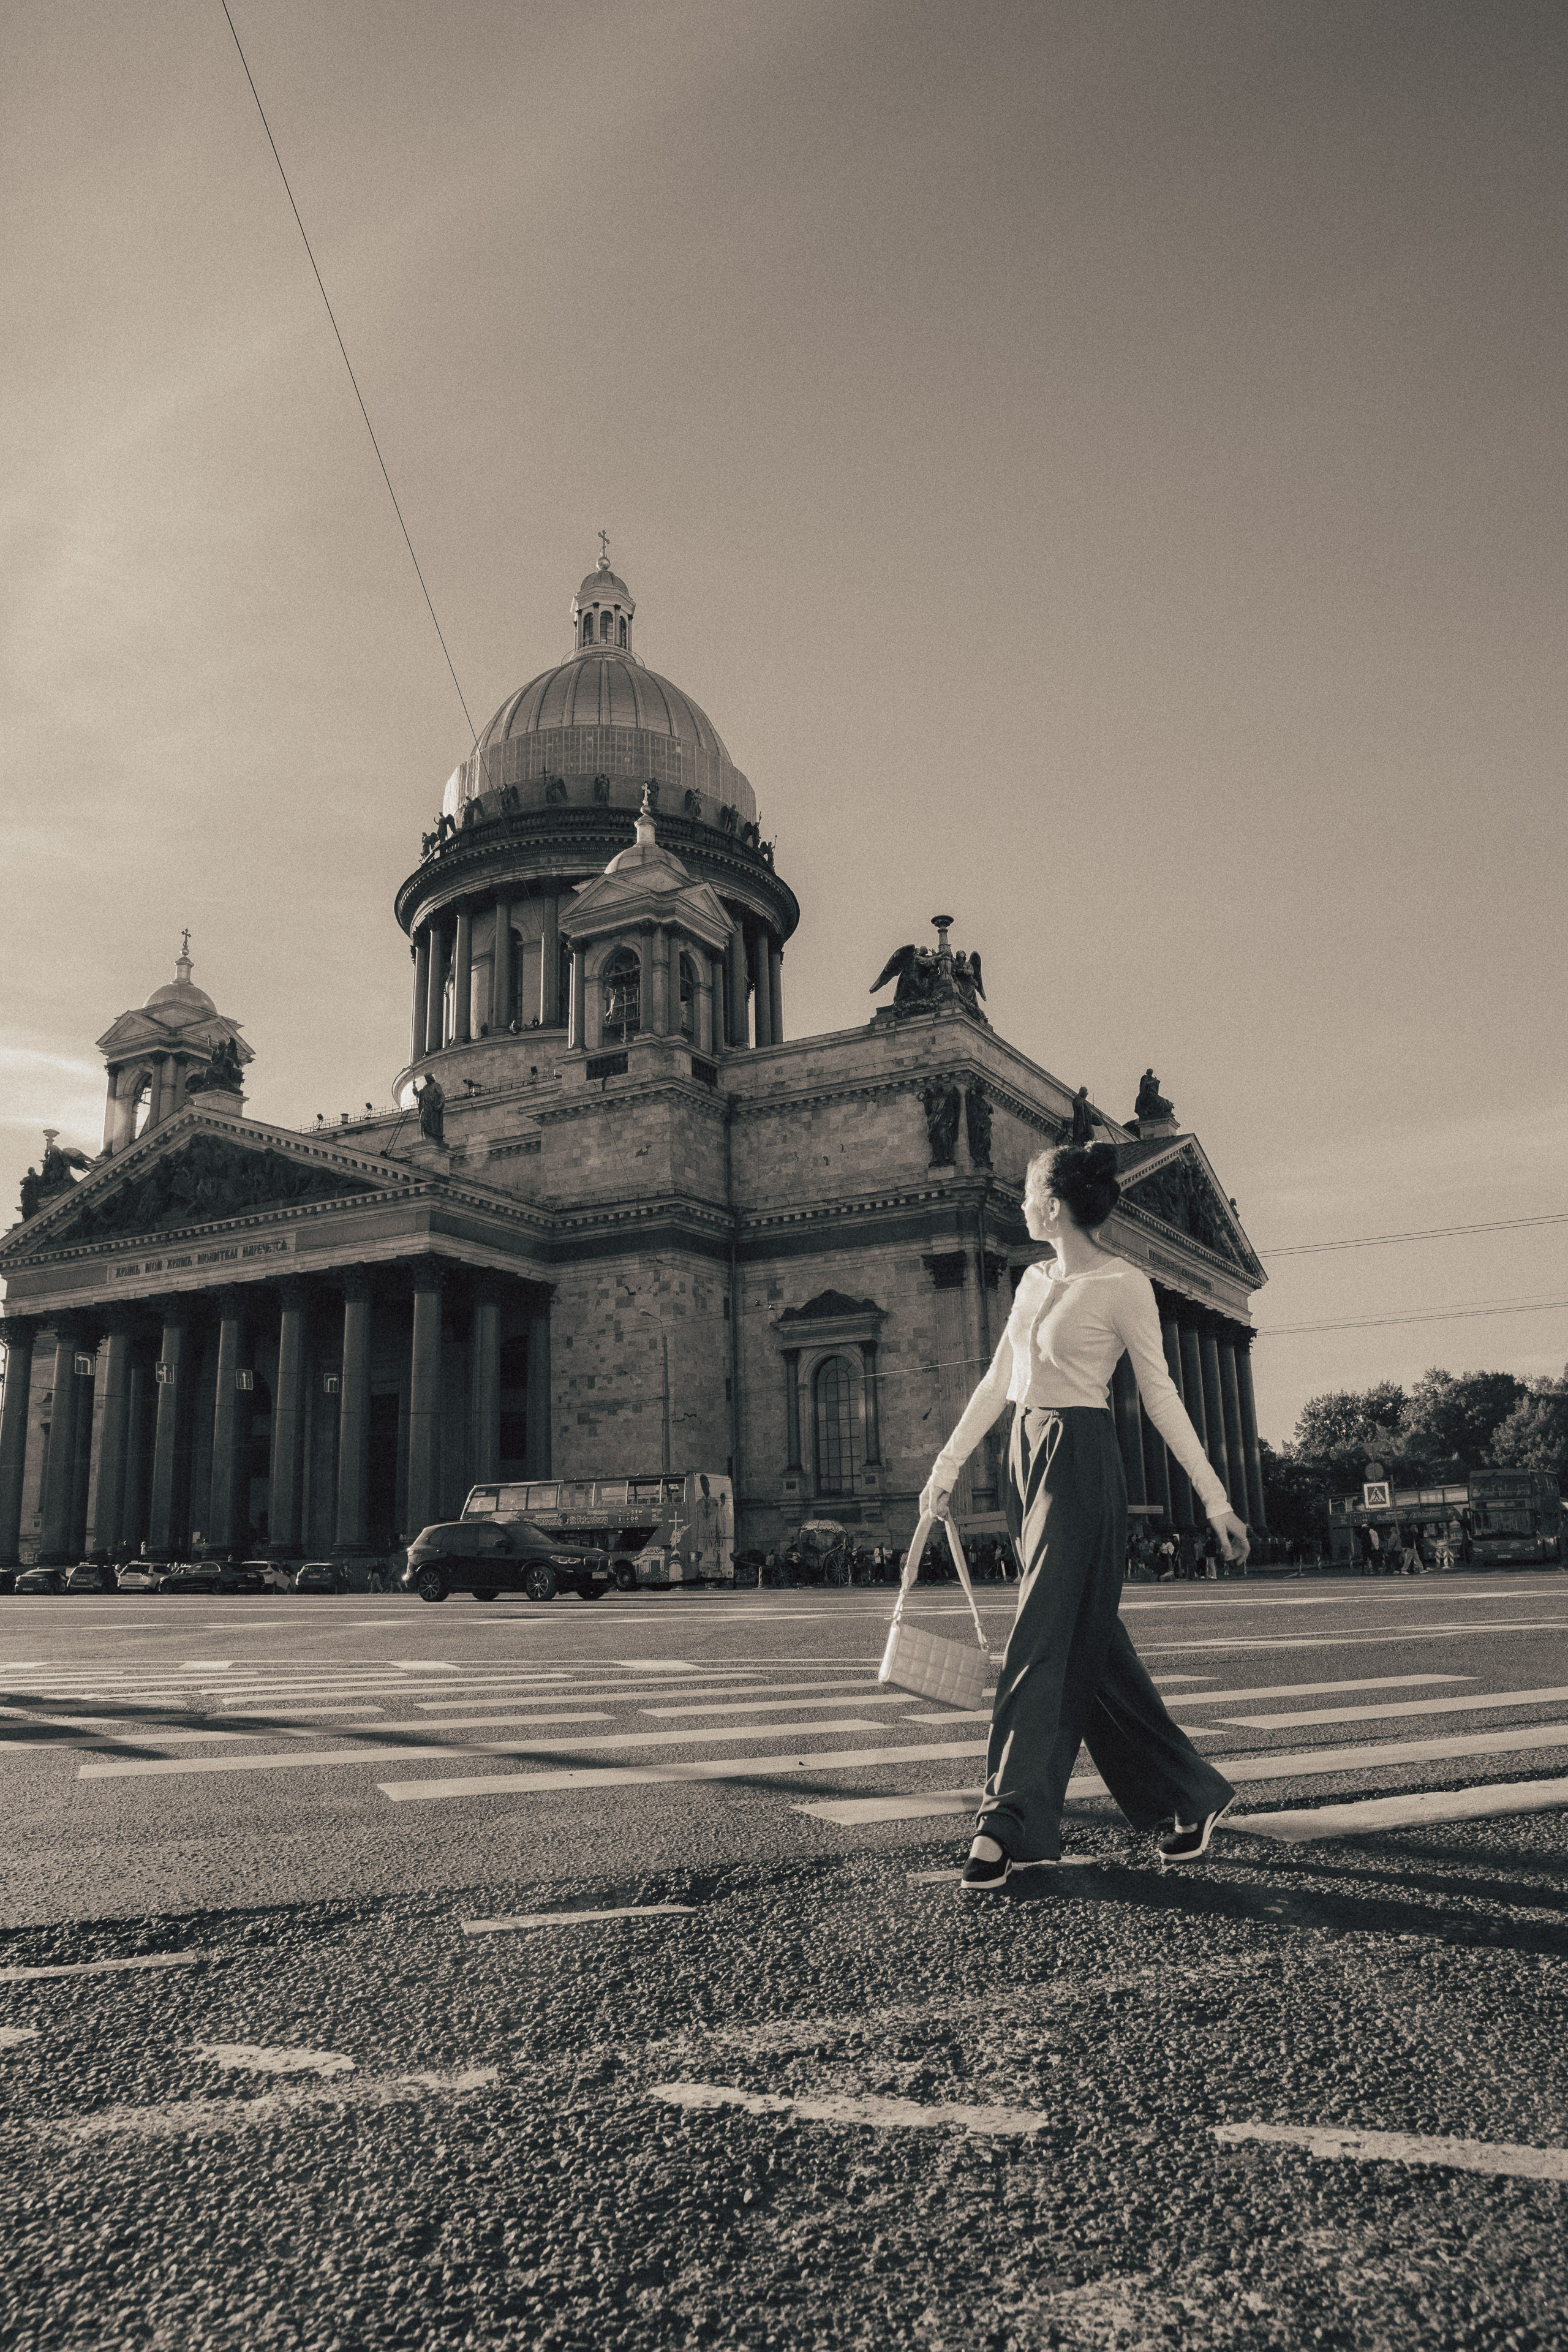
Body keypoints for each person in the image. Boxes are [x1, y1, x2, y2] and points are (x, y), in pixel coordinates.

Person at [919, 1142, 1250, 1893]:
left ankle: (1006, 1823)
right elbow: (1000, 1379)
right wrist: (945, 1469)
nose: (1021, 1200)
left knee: (1039, 1638)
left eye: (1029, 1190)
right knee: (1087, 1639)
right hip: (1024, 1458)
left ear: (1055, 1204)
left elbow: (1161, 1395)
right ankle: (1188, 1797)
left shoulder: (1123, 1283)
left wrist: (1216, 1500)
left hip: (1080, 1458)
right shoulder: (1033, 1279)